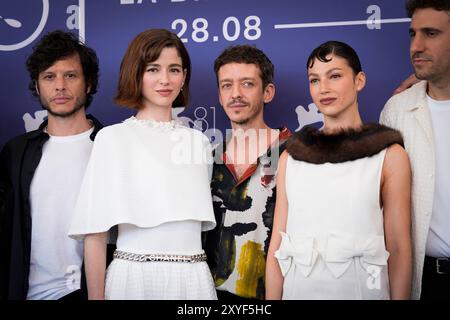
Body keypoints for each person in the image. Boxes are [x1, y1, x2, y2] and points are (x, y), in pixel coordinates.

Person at [68, 29, 217, 300]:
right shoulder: (112, 139)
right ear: (135, 74)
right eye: (153, 69)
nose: (165, 80)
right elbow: (95, 234)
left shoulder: (200, 144)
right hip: (131, 278)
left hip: (193, 279)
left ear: (184, 77)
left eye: (174, 69)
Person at [266, 41, 412, 300]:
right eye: (314, 80)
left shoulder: (389, 155)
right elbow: (277, 245)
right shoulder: (291, 157)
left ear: (359, 80)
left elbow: (399, 249)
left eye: (334, 76)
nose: (323, 89)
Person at [0, 30, 103, 300]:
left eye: (70, 75)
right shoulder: (16, 152)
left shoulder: (111, 146)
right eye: (49, 77)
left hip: (91, 293)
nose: (60, 86)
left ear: (88, 84)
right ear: (37, 86)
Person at [202, 45, 292, 300]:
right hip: (208, 294)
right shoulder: (208, 157)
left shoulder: (293, 152)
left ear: (268, 92)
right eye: (227, 85)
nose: (236, 94)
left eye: (247, 84)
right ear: (219, 95)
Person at [380, 0, 450, 300]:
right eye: (413, 34)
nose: (416, 46)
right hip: (427, 281)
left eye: (431, 33)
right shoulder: (397, 110)